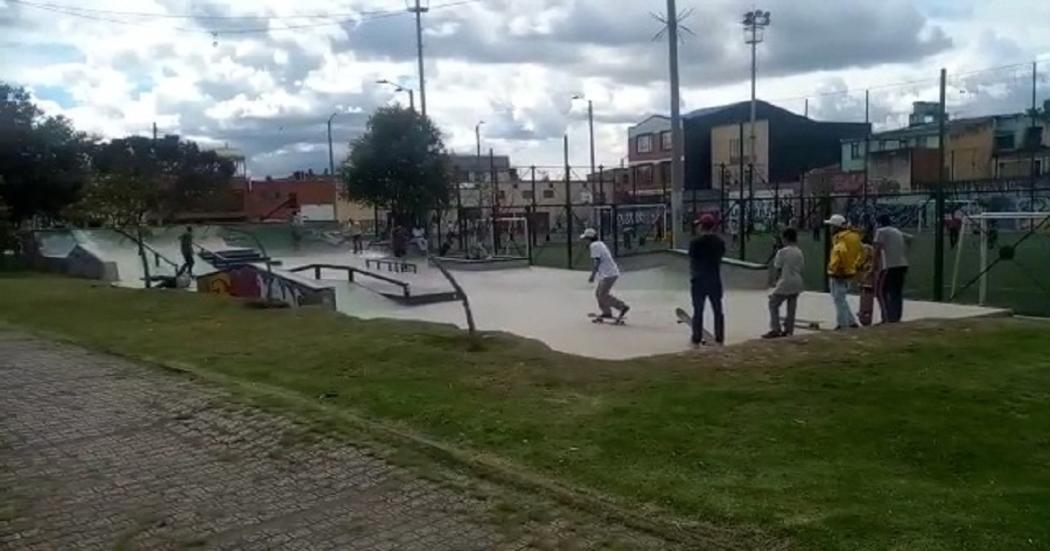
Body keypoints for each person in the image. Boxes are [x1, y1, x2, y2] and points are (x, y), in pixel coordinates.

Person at [688, 214, 726, 346]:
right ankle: (720, 336)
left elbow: (692, 259)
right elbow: (720, 256)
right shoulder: (720, 242)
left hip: (698, 280)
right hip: (714, 279)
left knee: (698, 310)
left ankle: (696, 336)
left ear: (701, 226)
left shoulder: (695, 243)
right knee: (718, 310)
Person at [763, 228, 805, 339]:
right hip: (797, 281)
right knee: (791, 306)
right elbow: (801, 266)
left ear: (785, 238)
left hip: (786, 280)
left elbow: (777, 267)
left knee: (773, 303)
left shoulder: (782, 252)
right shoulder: (799, 251)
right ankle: (789, 330)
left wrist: (775, 282)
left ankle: (775, 329)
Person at [582, 228, 629, 322]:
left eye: (585, 239)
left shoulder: (594, 246)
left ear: (589, 239)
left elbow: (597, 261)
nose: (584, 242)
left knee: (602, 294)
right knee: (598, 294)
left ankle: (622, 306)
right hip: (608, 273)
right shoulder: (599, 243)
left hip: (609, 274)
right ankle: (606, 312)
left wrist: (592, 275)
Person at [825, 214, 862, 330]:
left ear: (836, 227)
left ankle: (843, 324)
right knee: (841, 298)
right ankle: (851, 321)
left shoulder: (839, 238)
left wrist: (835, 268)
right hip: (850, 271)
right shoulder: (854, 236)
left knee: (838, 299)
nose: (830, 228)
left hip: (840, 272)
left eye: (831, 226)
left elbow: (840, 253)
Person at [874, 214, 911, 324]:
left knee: (881, 291)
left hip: (890, 265)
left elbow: (877, 249)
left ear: (879, 223)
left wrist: (873, 265)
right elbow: (910, 238)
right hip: (902, 264)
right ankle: (896, 317)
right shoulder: (897, 231)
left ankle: (887, 317)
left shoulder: (881, 231)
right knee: (897, 292)